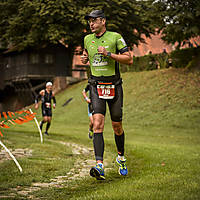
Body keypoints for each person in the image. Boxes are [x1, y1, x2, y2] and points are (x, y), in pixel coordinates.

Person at [81, 10, 133, 180]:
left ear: (103, 21)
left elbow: (129, 59)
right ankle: (100, 166)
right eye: (89, 21)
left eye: (94, 20)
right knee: (97, 124)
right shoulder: (87, 39)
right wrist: (84, 58)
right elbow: (87, 54)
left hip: (114, 86)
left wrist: (109, 54)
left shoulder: (115, 37)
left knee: (117, 125)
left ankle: (121, 157)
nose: (91, 24)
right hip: (96, 85)